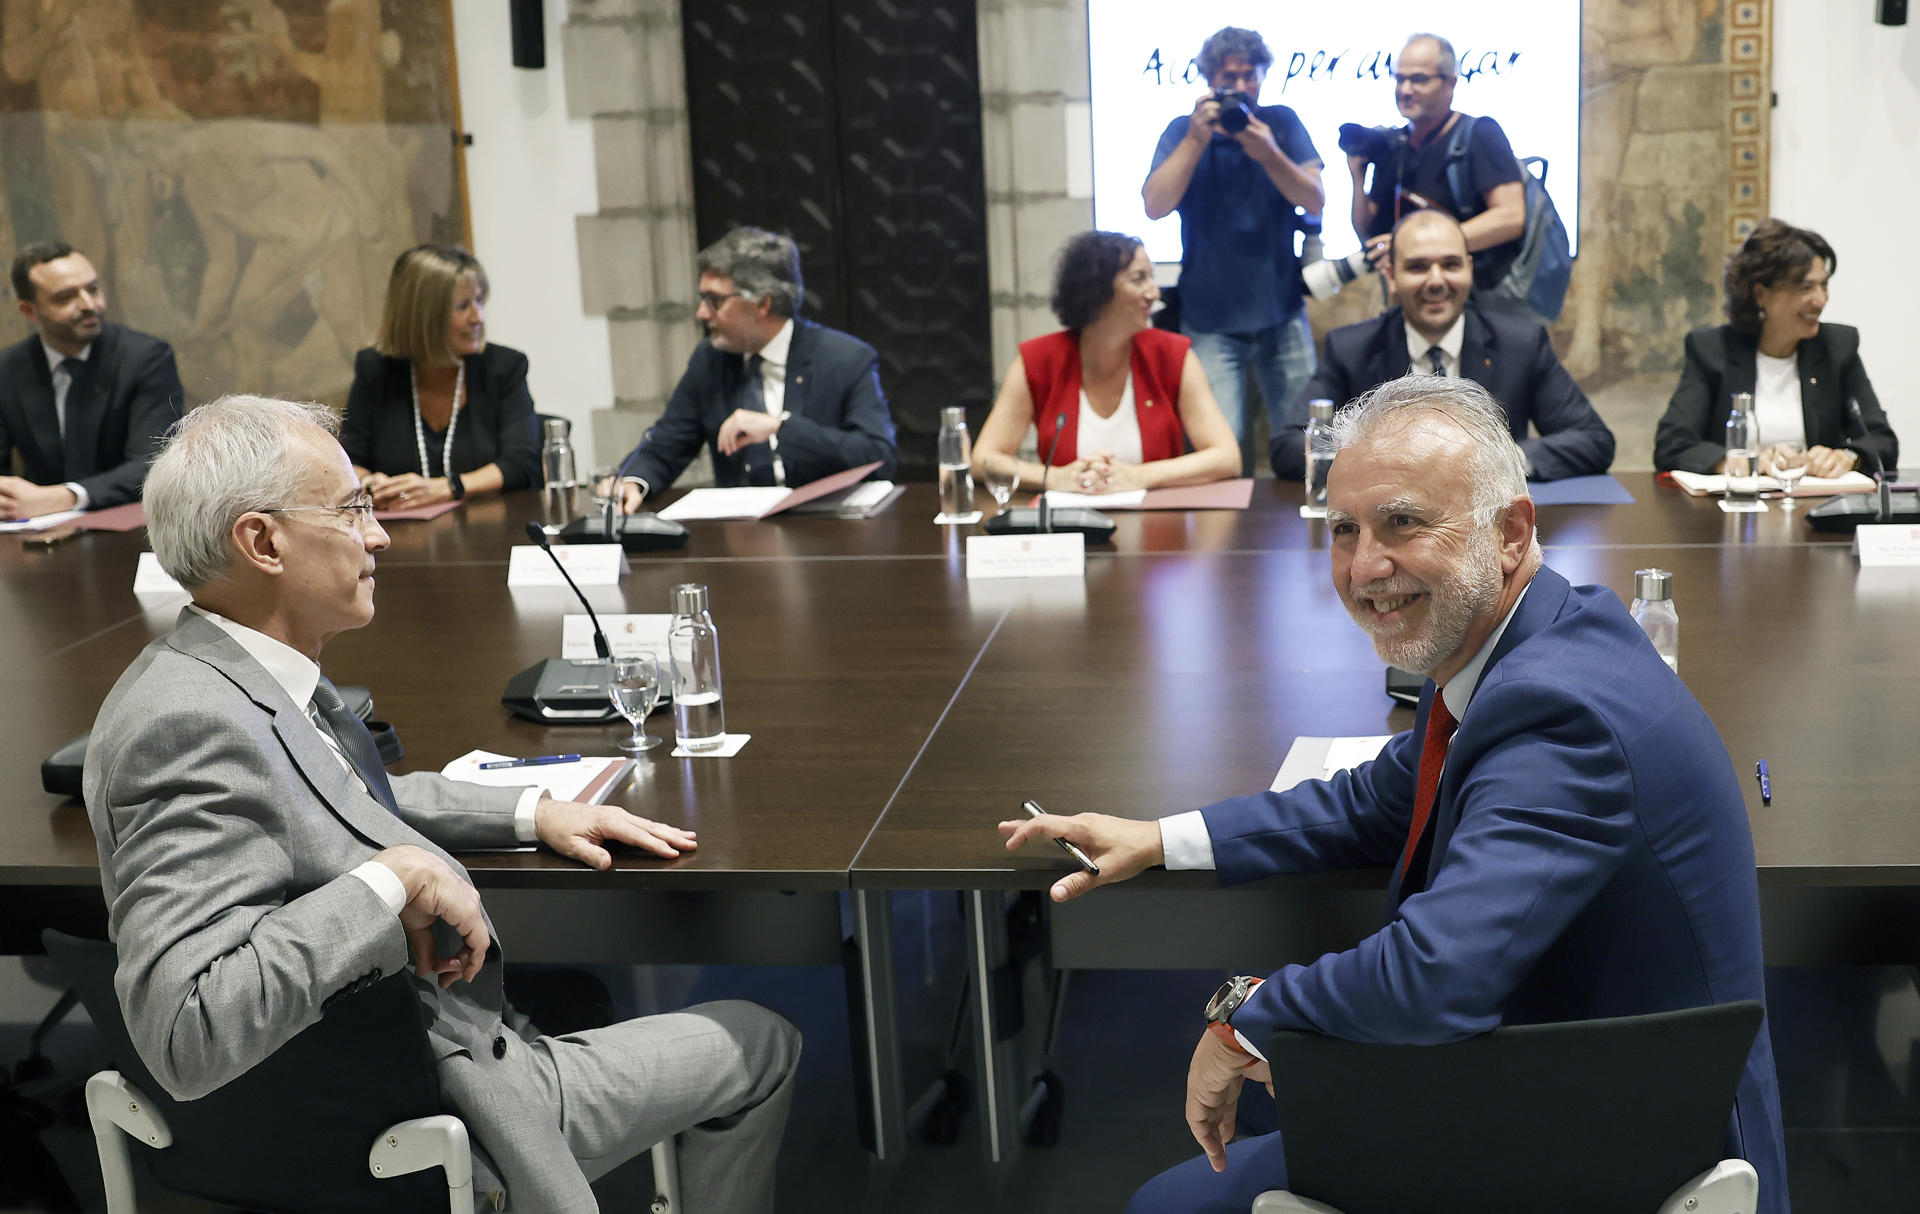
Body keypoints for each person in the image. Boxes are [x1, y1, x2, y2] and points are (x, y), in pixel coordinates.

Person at [1002, 375, 1786, 1214]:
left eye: (1404, 523)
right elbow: (1375, 801)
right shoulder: (1541, 634)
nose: (1366, 566)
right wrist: (1161, 838)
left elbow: (1434, 975)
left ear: (1512, 531)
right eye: (1345, 530)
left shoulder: (1557, 714)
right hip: (1577, 1064)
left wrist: (1245, 1013)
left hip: (1624, 1142)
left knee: (1170, 1207)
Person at [87, 395, 799, 1214]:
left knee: (575, 993)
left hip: (395, 1056)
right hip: (428, 1109)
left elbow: (332, 801)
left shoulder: (226, 672)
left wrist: (531, 812)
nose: (380, 534)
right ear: (262, 541)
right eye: (352, 509)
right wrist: (389, 884)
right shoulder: (186, 728)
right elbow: (187, 1031)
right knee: (761, 1040)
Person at [1270, 211, 1612, 481]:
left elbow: (1592, 440)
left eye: (1450, 265)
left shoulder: (1520, 344)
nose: (1436, 281)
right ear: (1391, 276)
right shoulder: (1352, 348)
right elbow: (1289, 448)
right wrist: (1395, 467)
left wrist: (1501, 463)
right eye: (1418, 267)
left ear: (1469, 269)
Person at [1142, 26, 1323, 474]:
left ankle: (1310, 537)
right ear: (1209, 81)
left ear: (1263, 75)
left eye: (1250, 75)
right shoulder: (1184, 131)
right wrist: (1195, 139)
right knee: (1219, 455)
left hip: (1280, 311)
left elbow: (1315, 199)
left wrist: (1267, 152)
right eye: (1229, 77)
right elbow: (1154, 205)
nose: (1241, 87)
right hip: (1209, 319)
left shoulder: (1280, 123)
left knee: (1306, 447)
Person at [616, 227, 897, 507]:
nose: (702, 313)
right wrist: (633, 481)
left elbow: (877, 456)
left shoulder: (845, 358)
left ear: (762, 303)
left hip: (826, 528)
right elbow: (667, 441)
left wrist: (780, 427)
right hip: (739, 534)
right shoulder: (709, 360)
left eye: (715, 301)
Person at [971, 230, 1240, 495]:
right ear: (1096, 290)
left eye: (1151, 278)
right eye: (1139, 280)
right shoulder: (1040, 360)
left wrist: (1138, 477)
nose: (1154, 293)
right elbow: (983, 460)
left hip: (1159, 531)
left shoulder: (1172, 356)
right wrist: (1054, 478)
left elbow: (1227, 457)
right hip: (1068, 530)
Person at [1655, 218, 1896, 477]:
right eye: (1805, 287)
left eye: (1824, 285)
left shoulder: (1837, 347)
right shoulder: (1713, 350)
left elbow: (1882, 440)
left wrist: (1849, 457)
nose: (1821, 300)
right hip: (1731, 508)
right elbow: (1672, 444)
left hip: (1814, 507)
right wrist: (1730, 462)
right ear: (1761, 294)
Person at [340, 245, 540, 509]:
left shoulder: (504, 367)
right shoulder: (375, 369)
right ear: (423, 316)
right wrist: (371, 484)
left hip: (490, 535)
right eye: (463, 306)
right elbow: (347, 462)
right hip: (400, 538)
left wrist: (448, 488)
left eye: (479, 301)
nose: (477, 317)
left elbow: (524, 463)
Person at [0, 241, 183, 516]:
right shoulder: (8, 369)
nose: (89, 305)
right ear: (29, 310)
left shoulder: (146, 358)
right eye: (65, 297)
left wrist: (65, 497)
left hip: (127, 526)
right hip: (37, 532)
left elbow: (153, 464)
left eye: (93, 289)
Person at [1349, 34, 1526, 300]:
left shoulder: (1479, 134)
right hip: (1412, 304)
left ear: (1450, 83)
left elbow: (1511, 217)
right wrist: (1357, 181)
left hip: (1476, 302)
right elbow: (1368, 234)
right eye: (1399, 79)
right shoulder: (1395, 145)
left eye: (1418, 79)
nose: (1405, 89)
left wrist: (1422, 247)